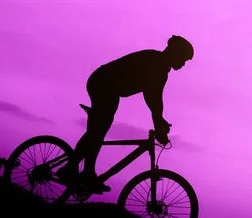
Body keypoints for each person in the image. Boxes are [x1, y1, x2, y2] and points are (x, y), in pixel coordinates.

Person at [56, 35, 194, 194]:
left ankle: (81, 171)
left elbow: (155, 101)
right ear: (174, 53)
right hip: (103, 83)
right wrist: (159, 124)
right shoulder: (155, 62)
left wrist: (159, 121)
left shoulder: (161, 69)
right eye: (183, 59)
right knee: (99, 129)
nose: (183, 64)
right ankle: (77, 171)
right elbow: (153, 99)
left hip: (108, 86)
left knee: (97, 130)